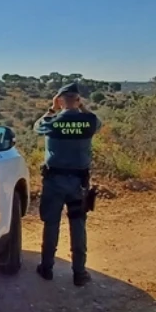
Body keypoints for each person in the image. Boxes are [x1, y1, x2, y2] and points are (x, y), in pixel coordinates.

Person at [33, 81, 102, 286]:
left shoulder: (50, 122)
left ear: (60, 100)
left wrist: (53, 108)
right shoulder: (89, 121)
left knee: (51, 223)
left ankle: (46, 268)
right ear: (78, 100)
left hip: (54, 181)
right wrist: (80, 107)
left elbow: (37, 127)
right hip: (79, 183)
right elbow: (97, 122)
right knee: (78, 224)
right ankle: (79, 273)